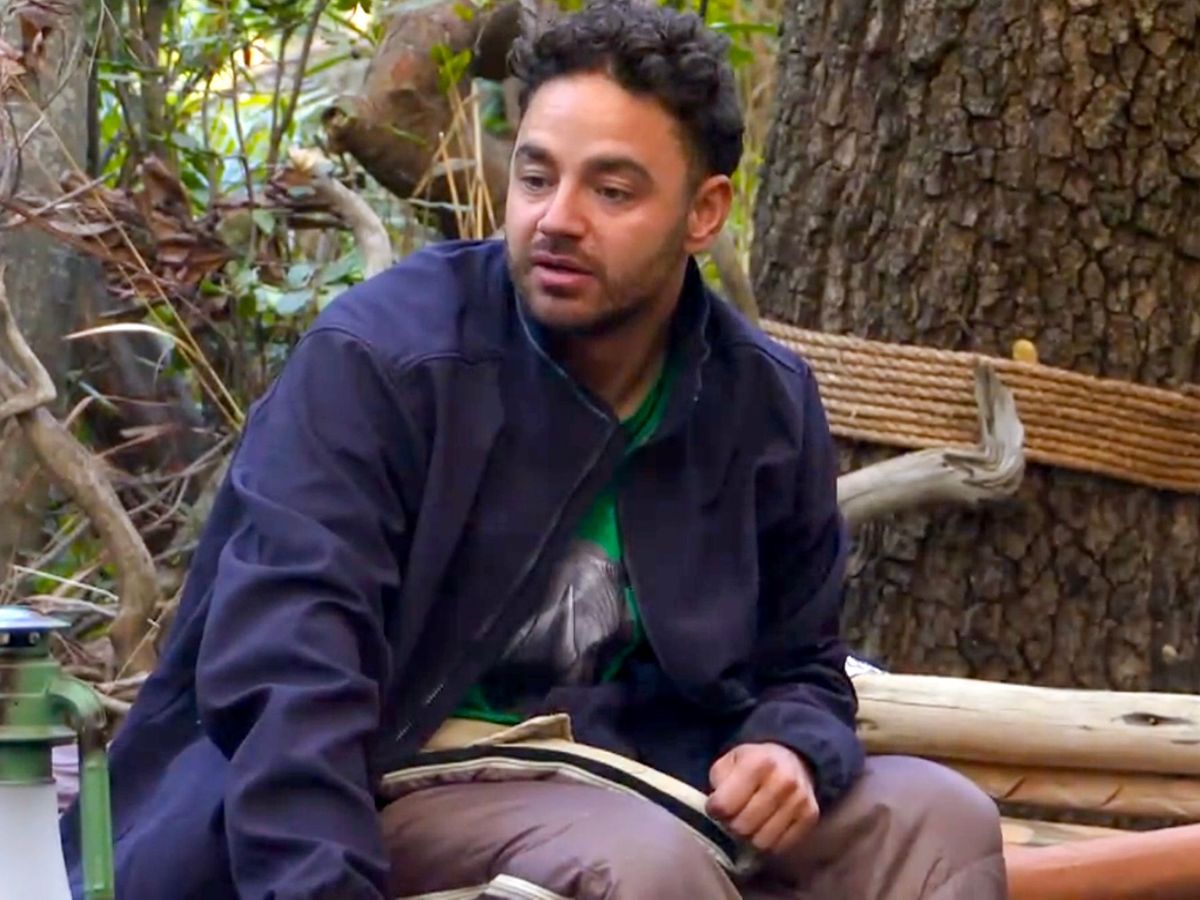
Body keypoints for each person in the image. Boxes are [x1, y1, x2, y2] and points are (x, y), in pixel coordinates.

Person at [61, 1, 1007, 897]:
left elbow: (802, 662)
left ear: (705, 212)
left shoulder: (761, 401)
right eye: (536, 176)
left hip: (649, 768)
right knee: (642, 865)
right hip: (396, 776)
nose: (557, 217)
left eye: (612, 189)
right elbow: (287, 681)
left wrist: (789, 744)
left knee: (938, 818)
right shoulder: (386, 365)